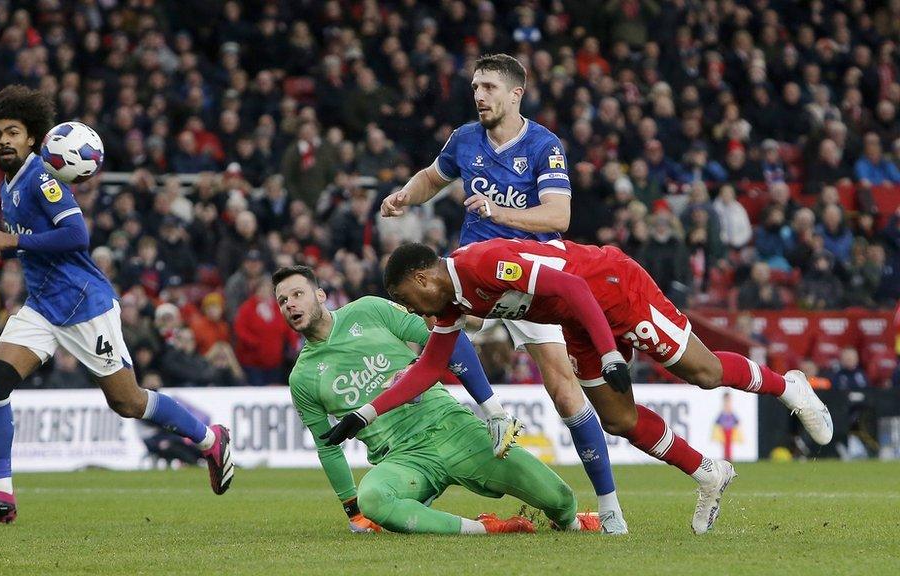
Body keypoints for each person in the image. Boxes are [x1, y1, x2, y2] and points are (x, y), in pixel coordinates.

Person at [325, 240, 834, 535]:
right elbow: (429, 367)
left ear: (422, 276)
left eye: (403, 296)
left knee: (699, 373)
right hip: (576, 320)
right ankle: (708, 472)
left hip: (612, 288)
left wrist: (611, 351)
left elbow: (572, 285)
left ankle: (787, 386)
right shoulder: (453, 304)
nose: (407, 308)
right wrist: (365, 415)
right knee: (618, 419)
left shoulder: (479, 264)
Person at [0, 85, 233, 524]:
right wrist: (7, 249)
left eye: (13, 132)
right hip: (44, 305)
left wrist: (9, 242)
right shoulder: (8, 186)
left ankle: (209, 439)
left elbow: (76, 235)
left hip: (83, 304)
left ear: (34, 139)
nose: (4, 140)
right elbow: (37, 244)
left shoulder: (41, 178)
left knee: (127, 402)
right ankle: (1, 495)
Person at [378, 53, 626, 534]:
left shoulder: (543, 145)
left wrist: (499, 211)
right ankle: (492, 413)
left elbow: (558, 219)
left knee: (561, 385)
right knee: (437, 327)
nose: (479, 95)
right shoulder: (464, 139)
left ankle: (610, 505)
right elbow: (433, 177)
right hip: (474, 270)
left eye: (489, 87)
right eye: (475, 87)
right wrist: (406, 195)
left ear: (516, 94)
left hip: (531, 277)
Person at [273, 265, 600, 535]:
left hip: (452, 428)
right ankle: (484, 529)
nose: (290, 304)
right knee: (373, 500)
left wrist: (491, 410)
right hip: (404, 459)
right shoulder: (302, 378)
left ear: (320, 295)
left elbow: (445, 340)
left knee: (558, 497)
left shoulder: (368, 311)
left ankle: (574, 520)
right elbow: (327, 447)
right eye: (283, 300)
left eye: (297, 294)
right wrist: (353, 510)